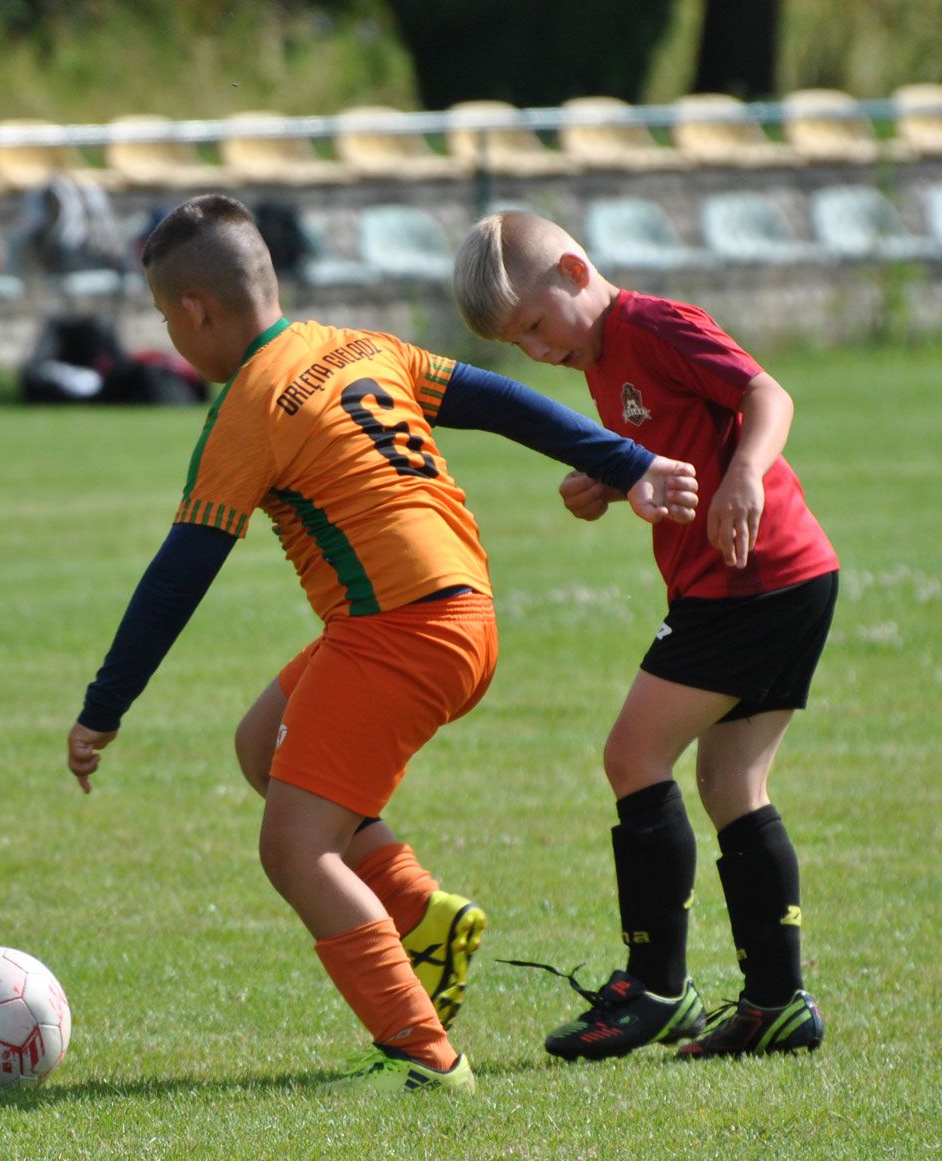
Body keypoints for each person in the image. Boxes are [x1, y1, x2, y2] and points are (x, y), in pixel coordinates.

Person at [65, 195, 698, 1095]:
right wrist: (624, 462)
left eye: (169, 319)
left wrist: (101, 710)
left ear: (197, 313)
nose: (172, 336)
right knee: (261, 745)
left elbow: (179, 576)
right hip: (461, 617)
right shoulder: (356, 346)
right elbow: (499, 400)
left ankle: (423, 1052)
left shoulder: (248, 407)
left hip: (400, 634)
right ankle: (422, 918)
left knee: (295, 849)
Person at [453, 210, 837, 1061]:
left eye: (537, 327)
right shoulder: (601, 355)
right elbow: (662, 441)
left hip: (753, 581)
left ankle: (657, 990)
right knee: (732, 779)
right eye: (520, 346)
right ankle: (776, 1003)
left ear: (575, 271)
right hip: (775, 582)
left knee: (633, 757)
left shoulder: (652, 325)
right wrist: (606, 477)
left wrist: (746, 476)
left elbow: (768, 394)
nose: (541, 353)